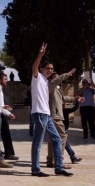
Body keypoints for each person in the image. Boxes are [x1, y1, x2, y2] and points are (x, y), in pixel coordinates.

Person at [30, 43, 72, 177]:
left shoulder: (46, 82)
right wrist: (40, 55)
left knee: (57, 139)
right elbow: (34, 67)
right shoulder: (37, 78)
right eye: (47, 68)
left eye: (51, 69)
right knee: (37, 142)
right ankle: (35, 170)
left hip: (47, 114)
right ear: (42, 69)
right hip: (39, 113)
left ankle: (58, 167)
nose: (49, 70)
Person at [45, 71, 83, 169]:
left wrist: (75, 99)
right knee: (62, 137)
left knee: (51, 139)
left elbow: (63, 98)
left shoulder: (57, 89)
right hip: (55, 116)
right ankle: (60, 161)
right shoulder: (51, 86)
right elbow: (56, 80)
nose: (60, 80)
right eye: (57, 78)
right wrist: (67, 74)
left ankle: (50, 160)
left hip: (54, 115)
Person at [0, 73, 19, 161]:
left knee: (2, 134)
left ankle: (8, 153)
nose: (6, 81)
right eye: (5, 79)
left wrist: (8, 113)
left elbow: (1, 105)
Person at [63, 100, 83, 164]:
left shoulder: (59, 111)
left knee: (65, 144)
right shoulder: (65, 111)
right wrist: (78, 102)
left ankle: (73, 157)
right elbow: (74, 108)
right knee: (66, 144)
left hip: (61, 128)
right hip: (63, 129)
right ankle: (73, 157)